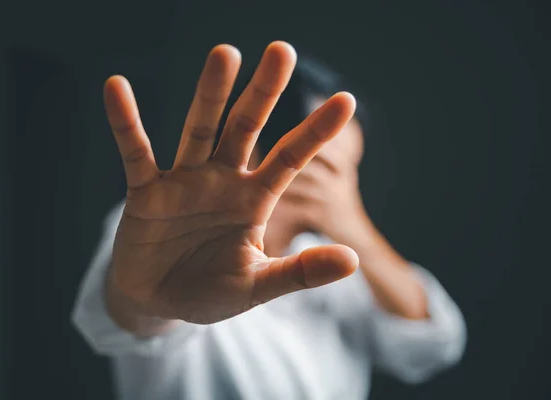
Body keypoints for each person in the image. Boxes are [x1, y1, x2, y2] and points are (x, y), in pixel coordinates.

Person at [72, 41, 466, 400]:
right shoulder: (167, 233)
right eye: (328, 168)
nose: (342, 193)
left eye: (352, 174)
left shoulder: (330, 264)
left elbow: (435, 344)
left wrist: (355, 228)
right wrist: (147, 303)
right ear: (268, 152)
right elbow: (123, 319)